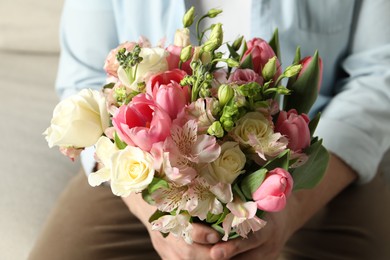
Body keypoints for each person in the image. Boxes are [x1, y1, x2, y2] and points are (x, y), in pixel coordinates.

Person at [29, 0, 390, 259]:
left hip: (316, 157)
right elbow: (86, 76)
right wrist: (154, 213)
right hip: (140, 166)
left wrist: (292, 210)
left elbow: (379, 78)